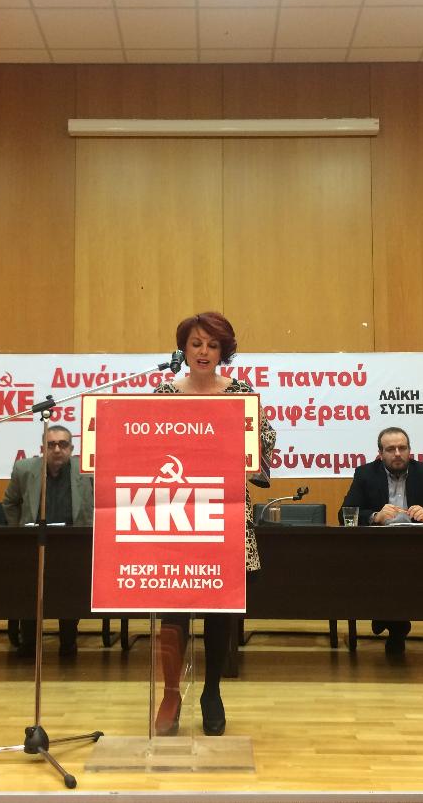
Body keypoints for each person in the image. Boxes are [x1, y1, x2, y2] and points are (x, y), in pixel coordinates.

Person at [152, 311, 276, 737]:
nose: (203, 352)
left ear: (223, 351)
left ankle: (211, 691)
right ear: (183, 349)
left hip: (226, 512)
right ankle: (170, 694)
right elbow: (144, 446)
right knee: (173, 601)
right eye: (196, 344)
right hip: (175, 511)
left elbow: (263, 444)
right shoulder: (164, 394)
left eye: (212, 345)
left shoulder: (241, 394)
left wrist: (247, 448)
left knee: (220, 605)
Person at [339, 426, 423, 654]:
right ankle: (397, 626)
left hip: (418, 549)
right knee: (386, 568)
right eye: (390, 449)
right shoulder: (365, 474)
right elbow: (345, 513)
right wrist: (374, 516)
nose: (397, 453)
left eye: (402, 448)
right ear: (380, 453)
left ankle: (388, 620)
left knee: (400, 569)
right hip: (377, 549)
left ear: (409, 451)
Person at [2, 424, 95, 658]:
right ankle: (29, 643)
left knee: (69, 593)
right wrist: (18, 532)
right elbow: (10, 503)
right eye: (51, 445)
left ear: (71, 448)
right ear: (43, 448)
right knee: (31, 592)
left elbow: (100, 504)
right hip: (34, 542)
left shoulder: (87, 472)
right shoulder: (24, 469)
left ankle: (68, 643)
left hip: (73, 544)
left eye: (63, 444)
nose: (57, 450)